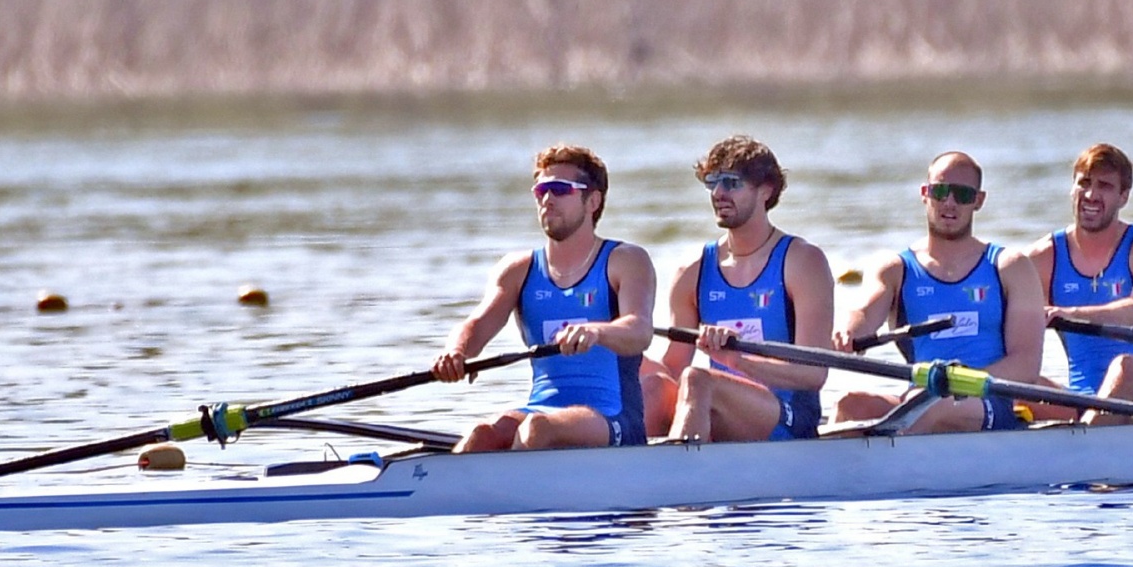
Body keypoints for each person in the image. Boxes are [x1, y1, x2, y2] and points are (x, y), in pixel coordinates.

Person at [432, 144, 656, 451]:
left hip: (614, 419)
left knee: (537, 429)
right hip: (542, 408)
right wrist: (455, 352)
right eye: (541, 191)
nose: (548, 199)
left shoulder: (625, 260)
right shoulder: (518, 270)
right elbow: (477, 324)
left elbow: (639, 330)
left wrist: (596, 331)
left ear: (593, 201)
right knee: (482, 433)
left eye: (560, 189)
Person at [832, 151, 1045, 433]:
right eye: (940, 191)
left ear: (978, 201)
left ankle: (882, 466)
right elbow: (864, 313)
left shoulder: (1010, 267)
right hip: (919, 397)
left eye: (962, 195)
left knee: (935, 404)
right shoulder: (895, 268)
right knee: (851, 405)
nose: (950, 202)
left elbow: (1026, 365)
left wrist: (957, 382)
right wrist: (848, 331)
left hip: (989, 403)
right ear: (925, 194)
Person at [660, 135, 834, 442]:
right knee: (653, 387)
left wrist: (737, 361)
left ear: (766, 191)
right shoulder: (692, 271)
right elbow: (673, 365)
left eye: (732, 183)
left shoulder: (803, 261)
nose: (718, 193)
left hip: (789, 416)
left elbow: (814, 374)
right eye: (712, 182)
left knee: (698, 379)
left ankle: (676, 476)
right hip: (723, 405)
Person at [1022, 143, 1133, 425]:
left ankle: (1085, 447)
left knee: (1126, 366)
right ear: (1071, 188)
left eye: (1105, 186)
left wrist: (1070, 313)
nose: (1091, 194)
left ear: (1123, 196)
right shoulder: (1042, 257)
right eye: (1084, 183)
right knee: (1010, 379)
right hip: (1082, 398)